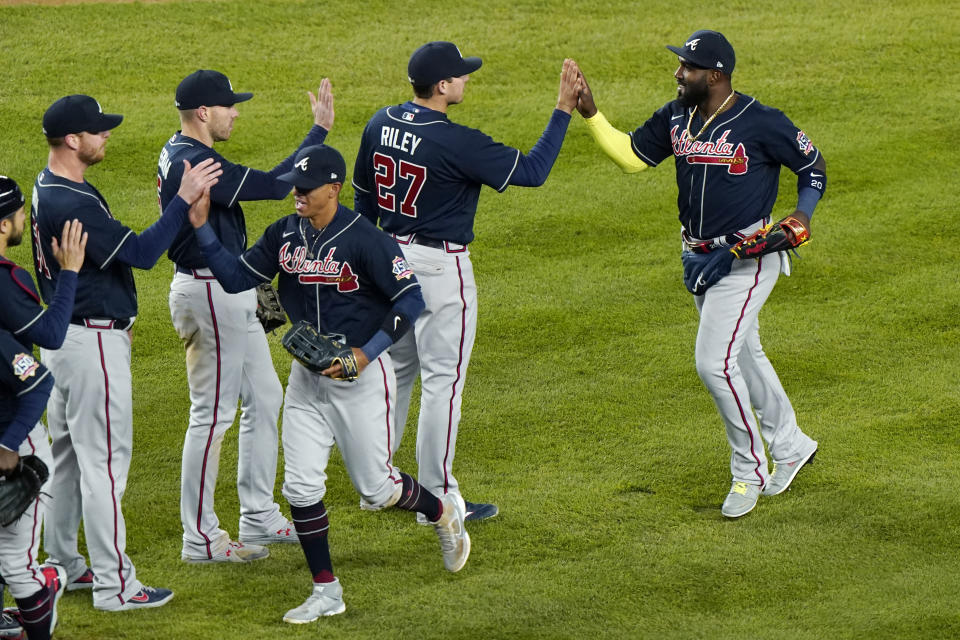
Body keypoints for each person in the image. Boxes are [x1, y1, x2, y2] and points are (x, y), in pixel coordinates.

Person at [186, 143, 470, 623]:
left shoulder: (367, 239)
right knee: (299, 488)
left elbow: (411, 301)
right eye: (295, 187)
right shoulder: (283, 233)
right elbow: (238, 280)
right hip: (306, 382)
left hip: (360, 380)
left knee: (378, 489)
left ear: (334, 189)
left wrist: (365, 353)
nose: (297, 194)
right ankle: (326, 590)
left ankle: (443, 512)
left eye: (307, 188)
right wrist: (201, 229)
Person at [573, 30, 825, 518]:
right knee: (744, 354)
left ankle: (748, 470)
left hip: (747, 256)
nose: (677, 73)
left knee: (714, 362)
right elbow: (631, 157)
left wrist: (804, 215)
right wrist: (591, 114)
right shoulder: (676, 117)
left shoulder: (762, 122)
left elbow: (812, 167)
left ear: (714, 75)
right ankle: (791, 444)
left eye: (686, 67)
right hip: (696, 257)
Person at [352, 42, 581, 520]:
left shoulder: (379, 122)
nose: (467, 79)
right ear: (441, 86)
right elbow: (533, 172)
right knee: (442, 381)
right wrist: (563, 109)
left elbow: (363, 202)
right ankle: (435, 497)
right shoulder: (456, 141)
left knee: (395, 374)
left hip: (389, 261)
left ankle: (379, 485)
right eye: (460, 75)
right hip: (439, 270)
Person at [32, 94, 222, 610]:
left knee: (69, 460)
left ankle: (65, 564)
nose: (107, 134)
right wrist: (182, 198)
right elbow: (140, 253)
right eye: (97, 130)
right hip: (90, 344)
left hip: (65, 340)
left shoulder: (48, 185)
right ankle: (118, 587)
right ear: (73, 140)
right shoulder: (70, 201)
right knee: (105, 468)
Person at [157, 70, 335, 562]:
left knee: (265, 394)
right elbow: (278, 187)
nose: (236, 111)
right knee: (211, 417)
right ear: (203, 113)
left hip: (228, 286)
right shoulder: (197, 161)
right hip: (209, 290)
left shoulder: (180, 149)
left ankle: (257, 514)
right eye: (229, 105)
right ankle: (200, 539)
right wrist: (317, 134)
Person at [0, 328, 66, 640]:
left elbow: (40, 383)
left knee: (15, 564)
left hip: (17, 454)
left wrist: (9, 445)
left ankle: (47, 584)